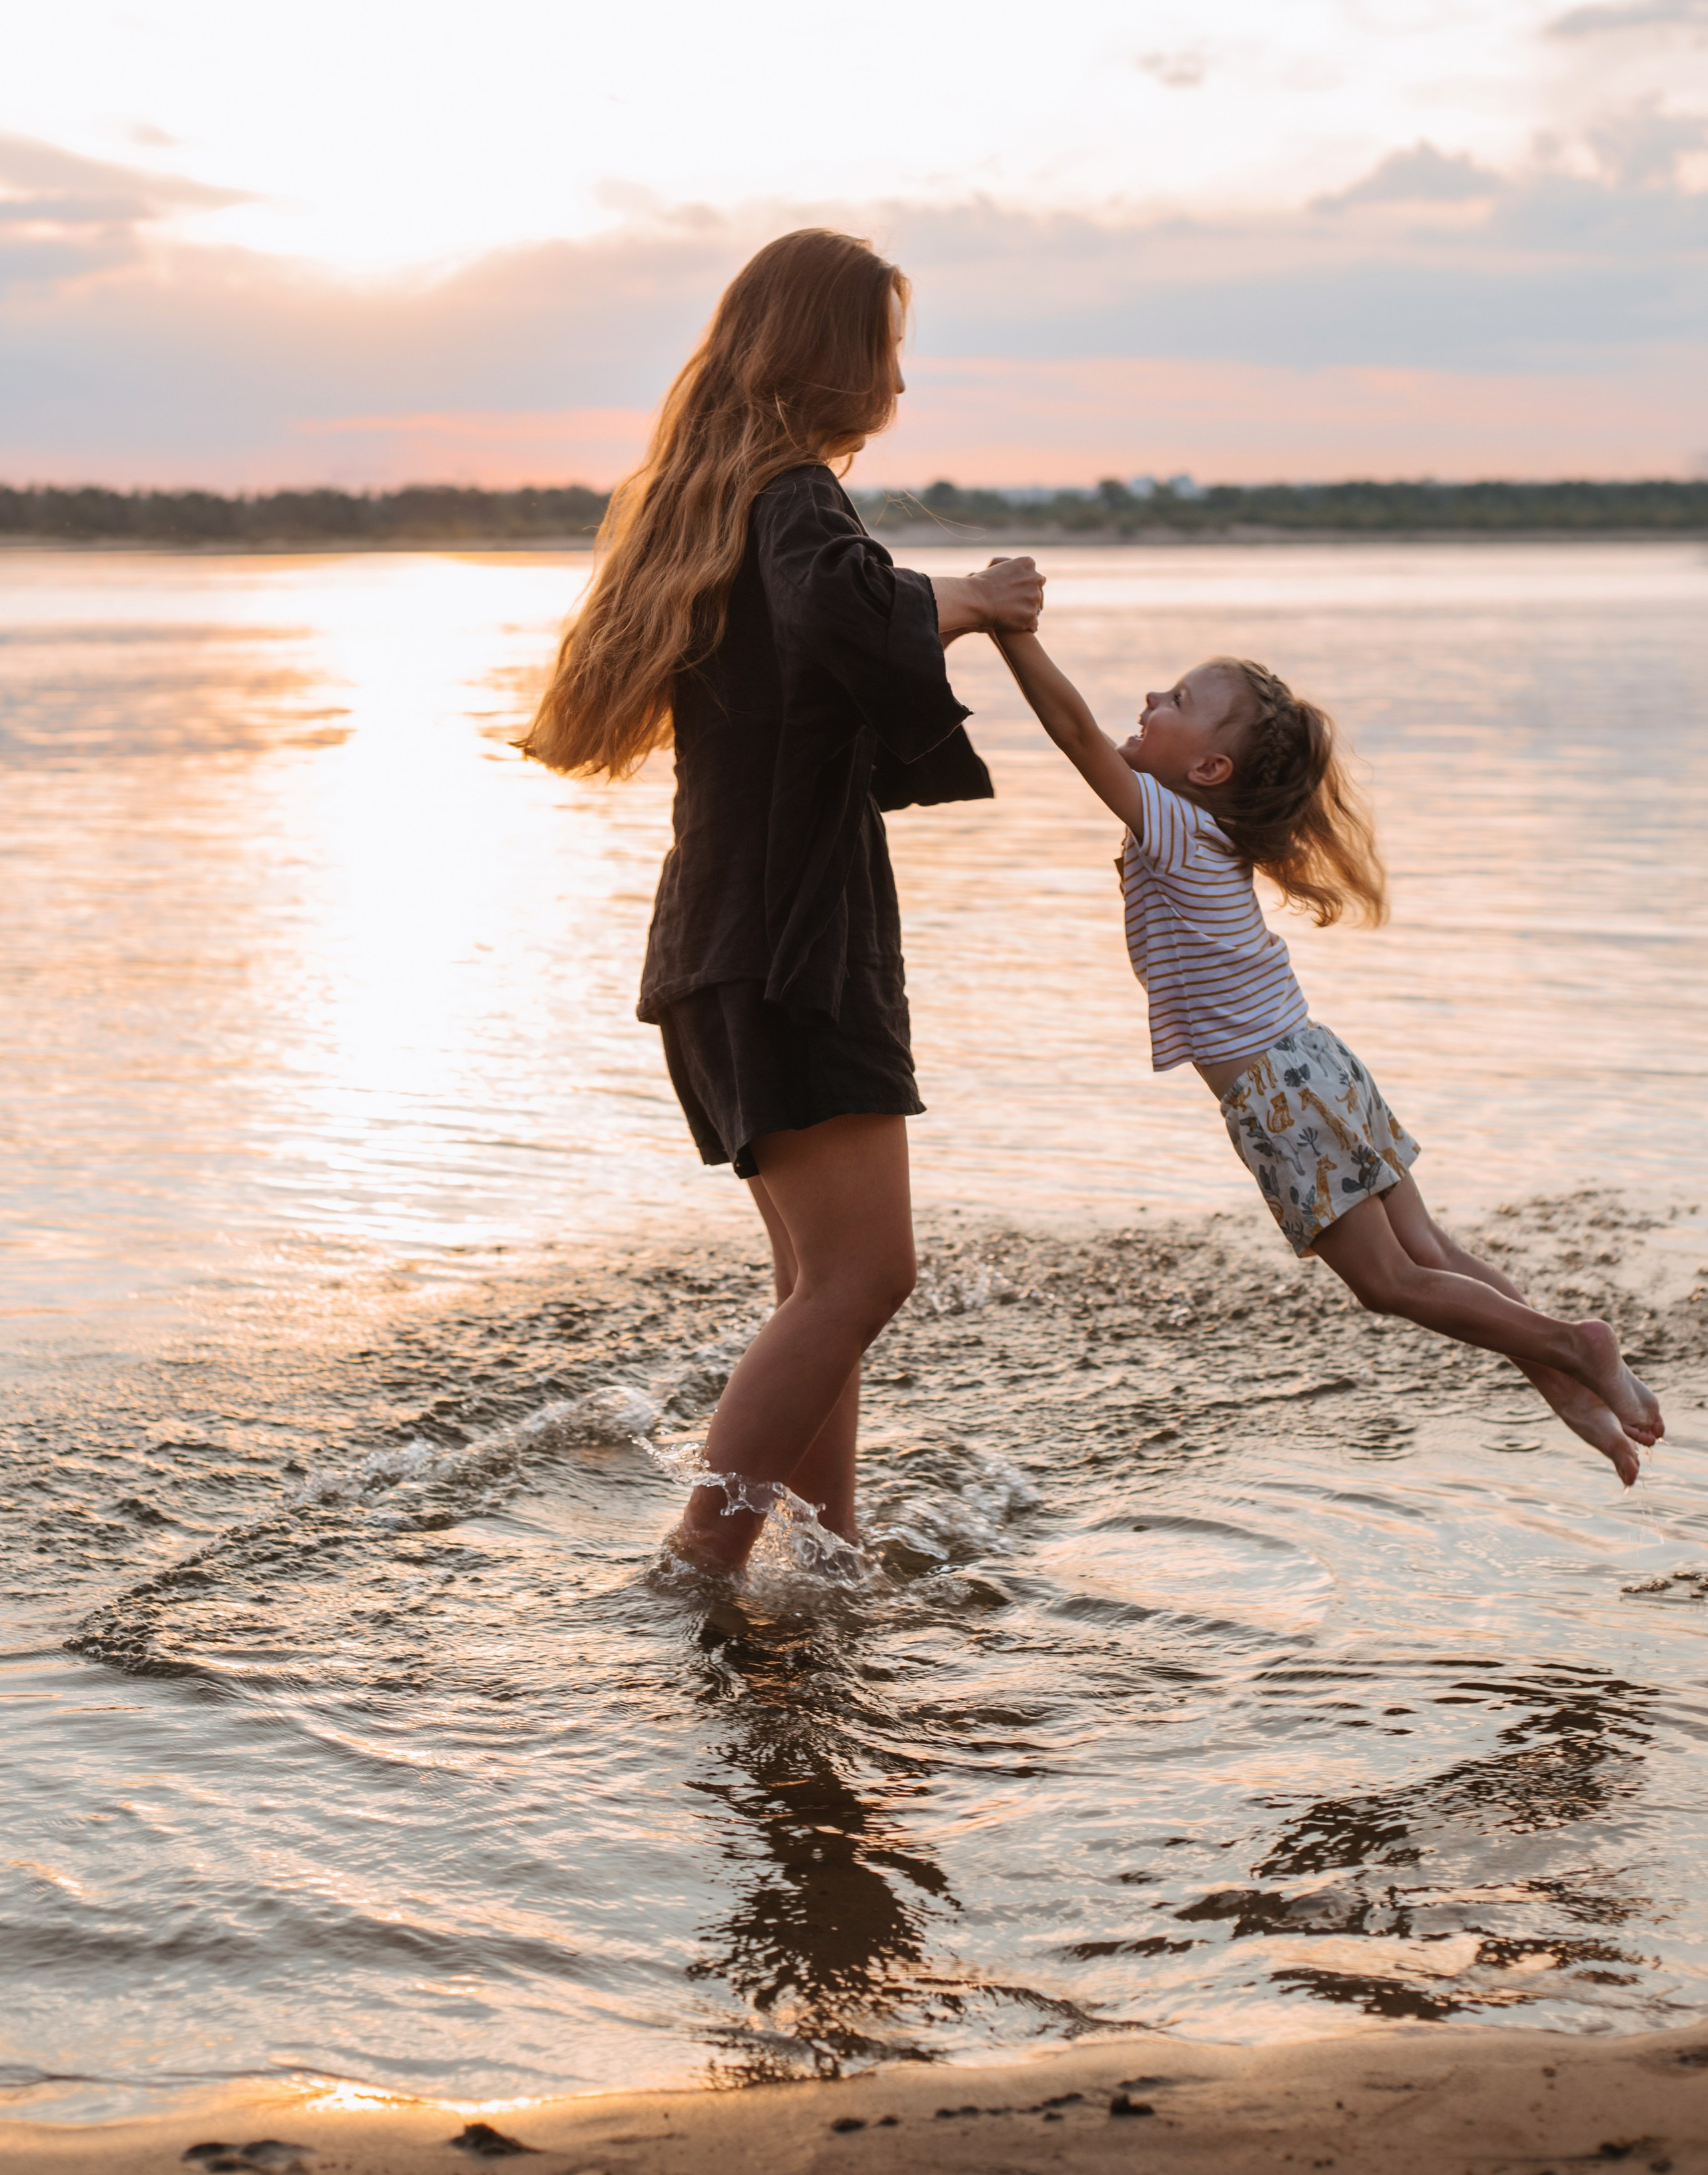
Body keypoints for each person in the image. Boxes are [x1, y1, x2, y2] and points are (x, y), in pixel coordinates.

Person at [522, 228, 1043, 1569]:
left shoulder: (719, 506)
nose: (899, 386)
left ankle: (830, 1555)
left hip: (719, 947)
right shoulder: (795, 498)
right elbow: (842, 614)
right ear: (826, 360)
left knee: (822, 1285)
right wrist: (972, 597)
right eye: (886, 353)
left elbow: (817, 642)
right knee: (867, 1275)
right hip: (792, 951)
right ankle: (698, 1560)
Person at [992, 631, 1664, 1487]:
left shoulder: (1172, 823)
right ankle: (1569, 1384)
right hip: (1317, 1060)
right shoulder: (1206, 830)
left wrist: (1008, 629)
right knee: (1428, 1249)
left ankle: (1576, 1345)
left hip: (1276, 1092)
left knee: (1388, 1282)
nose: (1151, 701)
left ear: (1209, 769)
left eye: (1177, 701)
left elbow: (1072, 731)